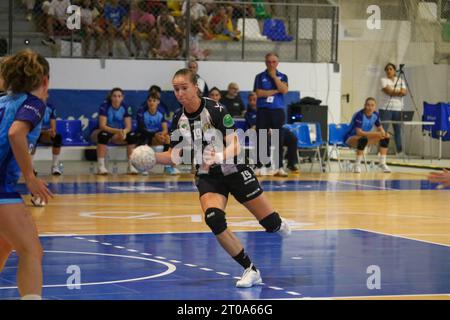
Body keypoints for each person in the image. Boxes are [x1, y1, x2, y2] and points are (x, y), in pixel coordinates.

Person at [153, 68, 291, 288]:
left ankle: (277, 223)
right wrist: (151, 158)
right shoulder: (178, 119)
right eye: (176, 89)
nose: (179, 93)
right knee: (214, 218)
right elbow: (175, 156)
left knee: (271, 224)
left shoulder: (215, 109)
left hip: (233, 168)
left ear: (195, 87)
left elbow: (235, 144)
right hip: (208, 176)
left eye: (184, 88)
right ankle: (250, 269)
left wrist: (218, 155)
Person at [0, 49, 54, 300]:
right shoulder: (34, 103)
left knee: (5, 244)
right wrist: (30, 177)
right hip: (1, 187)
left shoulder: (2, 101)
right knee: (32, 251)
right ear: (44, 80)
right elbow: (15, 133)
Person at [245, 92, 298, 174]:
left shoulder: (270, 108)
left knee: (292, 138)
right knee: (267, 137)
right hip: (263, 133)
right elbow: (253, 127)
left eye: (254, 100)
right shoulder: (248, 113)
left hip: (275, 129)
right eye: (250, 100)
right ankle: (266, 164)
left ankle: (291, 163)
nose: (252, 102)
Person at [253, 53, 288, 176]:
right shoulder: (259, 77)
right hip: (263, 110)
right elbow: (259, 93)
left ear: (277, 63)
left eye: (273, 62)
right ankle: (259, 166)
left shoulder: (283, 76)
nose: (271, 64)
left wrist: (274, 78)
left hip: (277, 110)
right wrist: (275, 91)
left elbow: (283, 90)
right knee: (261, 137)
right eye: (269, 62)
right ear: (265, 62)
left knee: (278, 138)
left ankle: (279, 167)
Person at [90, 87, 138, 175]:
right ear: (111, 97)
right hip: (107, 130)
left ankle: (131, 165)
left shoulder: (126, 107)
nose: (117, 98)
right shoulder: (105, 106)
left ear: (122, 97)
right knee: (103, 135)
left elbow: (128, 126)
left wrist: (124, 132)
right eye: (114, 96)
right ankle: (101, 166)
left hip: (117, 134)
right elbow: (102, 126)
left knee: (131, 136)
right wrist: (118, 131)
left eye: (119, 96)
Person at [136, 91, 180, 175]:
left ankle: (168, 166)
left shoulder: (160, 113)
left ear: (158, 102)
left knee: (167, 138)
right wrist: (154, 135)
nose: (152, 102)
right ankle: (143, 166)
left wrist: (161, 134)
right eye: (150, 100)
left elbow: (165, 129)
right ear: (147, 102)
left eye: (154, 100)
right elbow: (141, 129)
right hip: (146, 135)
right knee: (145, 139)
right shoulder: (142, 112)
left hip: (156, 136)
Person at [344, 97, 391, 173]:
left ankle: (382, 163)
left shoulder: (375, 115)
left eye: (372, 105)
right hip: (351, 138)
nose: (370, 107)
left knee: (385, 137)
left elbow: (381, 129)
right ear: (364, 105)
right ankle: (357, 164)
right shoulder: (359, 115)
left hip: (364, 138)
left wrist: (384, 133)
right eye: (368, 105)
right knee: (362, 139)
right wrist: (375, 133)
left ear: (375, 106)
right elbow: (358, 133)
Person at [379, 62, 407, 156]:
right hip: (385, 108)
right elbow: (388, 92)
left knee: (398, 131)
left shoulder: (401, 80)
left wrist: (394, 91)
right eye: (387, 69)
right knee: (384, 131)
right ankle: (382, 152)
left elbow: (405, 92)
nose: (389, 71)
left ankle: (399, 152)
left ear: (395, 70)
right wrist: (398, 92)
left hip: (398, 109)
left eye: (391, 69)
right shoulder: (383, 80)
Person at [31, 101, 63, 176]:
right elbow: (31, 127)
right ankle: (31, 167)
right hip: (34, 133)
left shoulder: (50, 107)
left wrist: (52, 131)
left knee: (57, 137)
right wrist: (42, 131)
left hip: (45, 134)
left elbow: (53, 127)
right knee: (32, 138)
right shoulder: (31, 106)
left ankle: (55, 166)